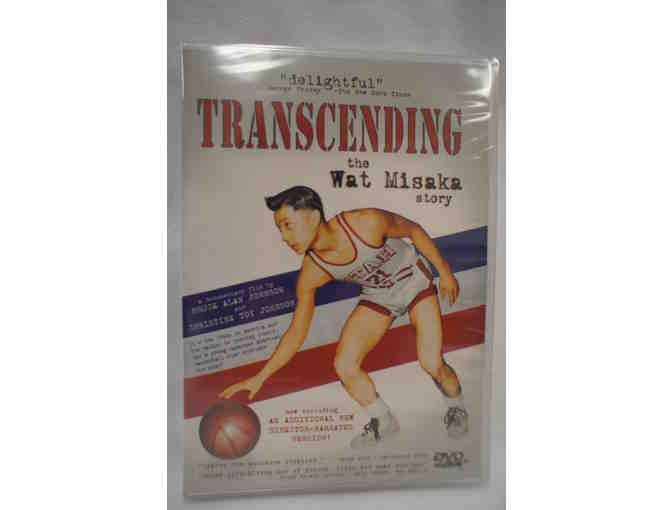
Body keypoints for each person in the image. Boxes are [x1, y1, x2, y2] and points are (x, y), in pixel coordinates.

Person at [219, 186, 468, 448]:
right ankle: (384, 420)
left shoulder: (365, 222)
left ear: (314, 217)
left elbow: (413, 230)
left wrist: (444, 272)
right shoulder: (312, 271)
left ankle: (456, 406)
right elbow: (296, 333)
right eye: (279, 229)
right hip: (379, 295)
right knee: (345, 365)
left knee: (431, 362)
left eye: (287, 225)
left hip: (414, 282)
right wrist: (261, 376)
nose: (283, 237)